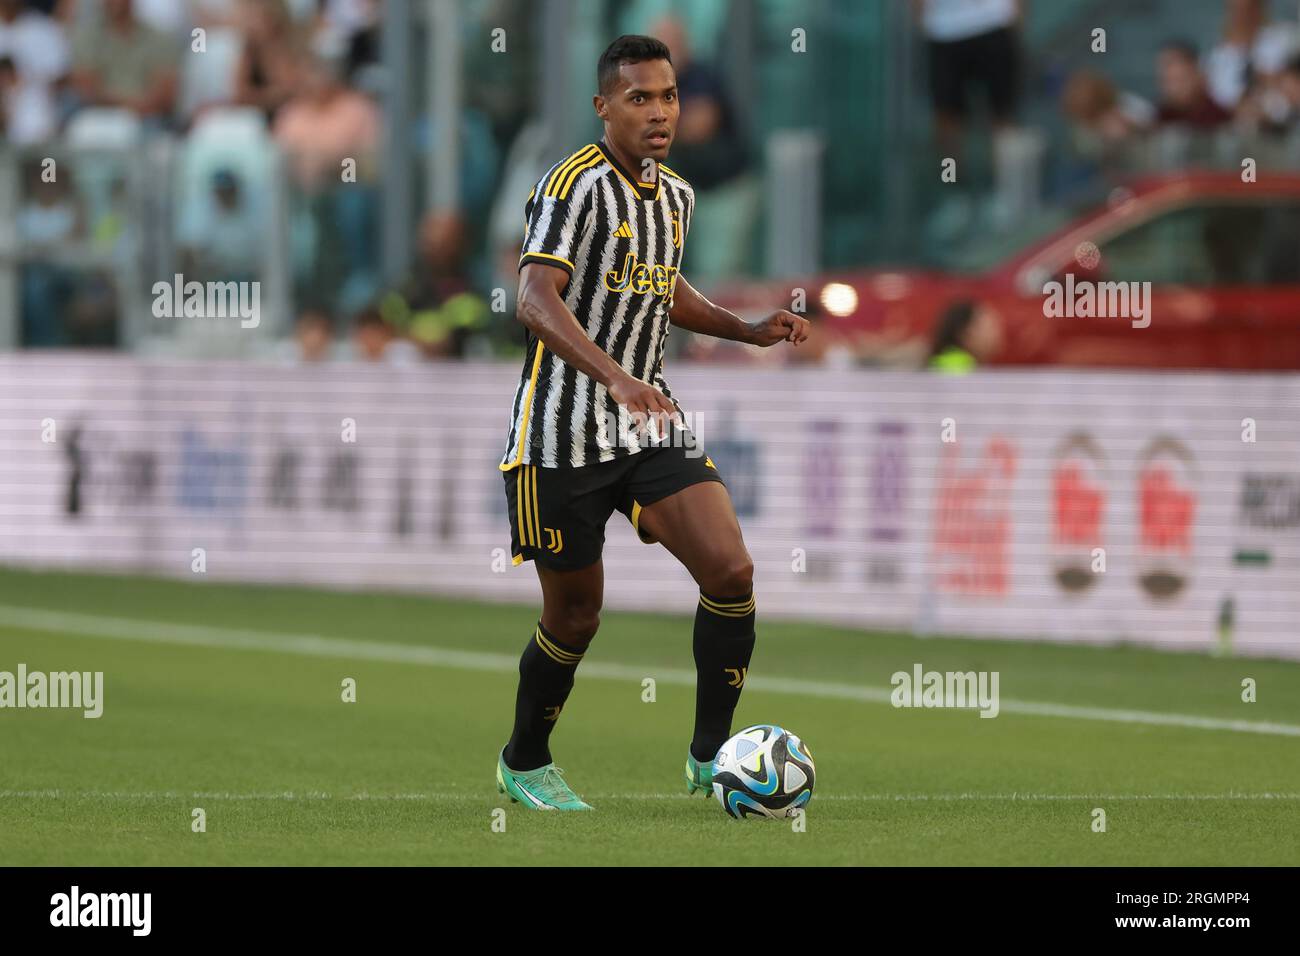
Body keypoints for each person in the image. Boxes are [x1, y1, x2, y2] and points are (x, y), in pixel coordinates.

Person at [494, 35, 810, 811]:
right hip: (559, 436)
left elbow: (663, 289)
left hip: (647, 424)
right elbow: (534, 300)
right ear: (605, 107)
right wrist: (616, 377)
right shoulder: (572, 186)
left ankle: (711, 757)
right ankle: (524, 760)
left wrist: (747, 329)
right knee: (576, 616)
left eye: (668, 96)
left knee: (731, 572)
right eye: (640, 98)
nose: (660, 112)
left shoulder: (677, 195)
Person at [925, 300, 1002, 373]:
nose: (997, 333)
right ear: (966, 333)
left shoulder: (973, 367)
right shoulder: (954, 369)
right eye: (990, 327)